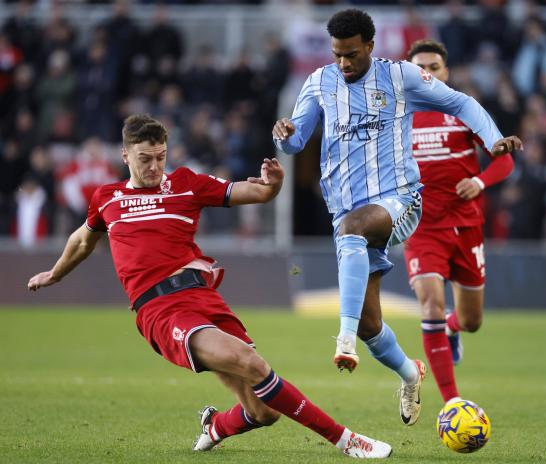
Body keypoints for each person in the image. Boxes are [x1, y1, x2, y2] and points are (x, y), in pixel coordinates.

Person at [27, 114, 392, 459]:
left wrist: (273, 184)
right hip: (160, 310)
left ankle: (215, 425)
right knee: (248, 361)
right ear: (125, 156)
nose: (154, 167)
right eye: (144, 159)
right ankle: (347, 441)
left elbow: (257, 193)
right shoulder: (107, 198)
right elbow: (81, 240)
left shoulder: (186, 183)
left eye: (160, 157)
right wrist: (55, 273)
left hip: (203, 297)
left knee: (264, 411)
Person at [272, 9, 521, 427]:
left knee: (355, 234)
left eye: (351, 54)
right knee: (373, 325)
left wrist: (494, 139)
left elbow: (460, 101)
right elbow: (296, 141)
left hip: (401, 201)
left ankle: (343, 338)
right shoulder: (319, 82)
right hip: (347, 212)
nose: (344, 63)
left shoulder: (401, 77)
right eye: (338, 55)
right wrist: (284, 134)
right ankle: (409, 372)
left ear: (370, 46)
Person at [404, 39, 515, 405]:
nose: (428, 74)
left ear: (445, 72)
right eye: (420, 68)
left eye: (434, 67)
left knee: (471, 321)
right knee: (431, 304)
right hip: (422, 229)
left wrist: (480, 181)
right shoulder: (397, 116)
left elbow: (503, 159)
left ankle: (453, 328)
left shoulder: (464, 110)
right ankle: (453, 402)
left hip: (466, 227)